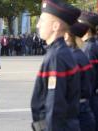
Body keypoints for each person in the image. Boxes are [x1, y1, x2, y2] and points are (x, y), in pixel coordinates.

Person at [30, 0, 81, 131]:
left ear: (55, 26)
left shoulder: (56, 56)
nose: (38, 25)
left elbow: (55, 105)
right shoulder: (60, 52)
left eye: (42, 21)